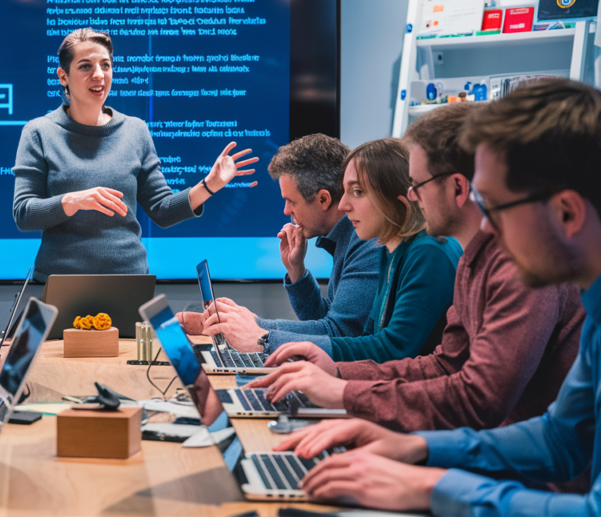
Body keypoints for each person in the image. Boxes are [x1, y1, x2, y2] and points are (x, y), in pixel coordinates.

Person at [275, 79, 601, 515]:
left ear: (566, 213)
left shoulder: (517, 271)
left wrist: (432, 487)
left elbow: (483, 399)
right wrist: (417, 448)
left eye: (496, 204)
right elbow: (560, 438)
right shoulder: (563, 292)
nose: (486, 225)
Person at [247, 103, 583, 432]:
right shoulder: (470, 260)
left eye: (417, 185)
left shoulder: (516, 267)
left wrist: (343, 388)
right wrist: (341, 377)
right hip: (484, 447)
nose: (410, 195)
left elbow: (478, 400)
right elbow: (445, 364)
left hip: (507, 461)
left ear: (457, 188)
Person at [12, 28, 259, 282]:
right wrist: (73, 201)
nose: (98, 75)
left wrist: (210, 184)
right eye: (85, 66)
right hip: (59, 285)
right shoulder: (38, 132)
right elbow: (23, 213)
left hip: (128, 283)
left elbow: (162, 209)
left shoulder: (135, 130)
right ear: (63, 76)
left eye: (105, 65)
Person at [208, 138, 462, 362]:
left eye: (357, 192)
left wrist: (262, 335)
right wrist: (296, 273)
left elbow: (384, 347)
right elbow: (358, 334)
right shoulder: (389, 249)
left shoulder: (420, 252)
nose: (344, 204)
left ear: (393, 198)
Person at [176, 133, 381, 346]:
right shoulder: (345, 238)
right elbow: (324, 321)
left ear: (323, 199)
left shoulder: (366, 241)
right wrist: (297, 271)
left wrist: (253, 326)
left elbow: (338, 332)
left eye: (291, 201)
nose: (285, 211)